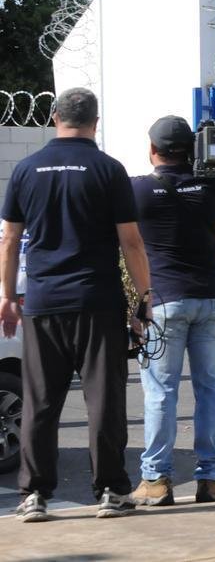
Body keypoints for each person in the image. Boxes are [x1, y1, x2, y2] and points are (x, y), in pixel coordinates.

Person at [0, 87, 153, 521]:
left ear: (53, 117)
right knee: (103, 400)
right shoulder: (108, 169)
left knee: (40, 402)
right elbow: (131, 241)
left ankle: (33, 495)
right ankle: (110, 490)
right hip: (96, 300)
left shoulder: (26, 170)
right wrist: (144, 296)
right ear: (96, 122)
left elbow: (10, 238)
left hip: (43, 302)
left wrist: (7, 296)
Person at [129, 115, 215, 507]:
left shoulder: (139, 190)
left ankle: (156, 479)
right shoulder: (214, 186)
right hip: (213, 299)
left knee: (161, 393)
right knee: (211, 391)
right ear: (194, 149)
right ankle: (211, 479)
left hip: (164, 301)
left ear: (152, 151)